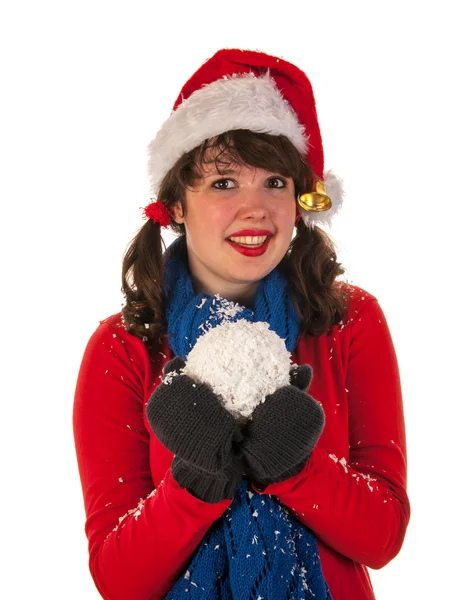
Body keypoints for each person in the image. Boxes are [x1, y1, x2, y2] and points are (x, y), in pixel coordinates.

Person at [73, 48, 410, 600]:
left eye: (275, 183)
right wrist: (194, 483)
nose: (256, 209)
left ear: (300, 200)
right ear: (176, 203)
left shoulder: (350, 322)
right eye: (224, 183)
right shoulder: (122, 350)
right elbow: (119, 580)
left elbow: (383, 535)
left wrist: (297, 465)